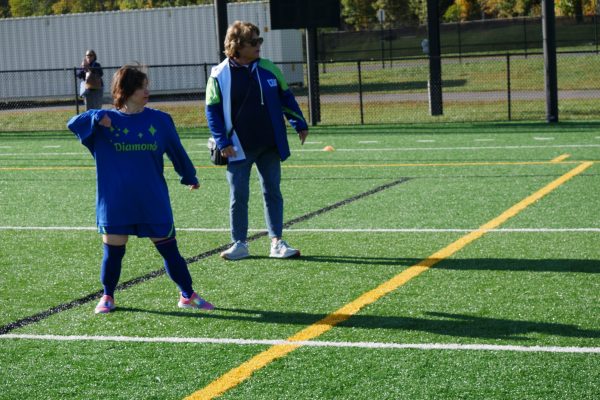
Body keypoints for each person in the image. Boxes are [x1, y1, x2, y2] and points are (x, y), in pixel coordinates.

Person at [67, 64, 214, 314]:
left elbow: (176, 151)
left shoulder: (160, 120)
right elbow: (73, 123)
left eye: (147, 86)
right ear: (125, 90)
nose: (147, 91)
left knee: (170, 250)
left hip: (151, 198)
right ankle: (107, 296)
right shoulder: (104, 122)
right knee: (113, 252)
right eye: (140, 87)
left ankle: (187, 294)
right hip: (115, 201)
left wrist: (189, 175)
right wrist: (94, 116)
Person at [205, 21, 309, 260]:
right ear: (237, 45)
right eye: (254, 42)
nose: (259, 45)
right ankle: (239, 243)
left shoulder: (269, 68)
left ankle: (277, 242)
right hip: (237, 147)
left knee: (272, 191)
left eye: (259, 40)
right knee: (238, 195)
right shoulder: (219, 74)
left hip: (270, 144)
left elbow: (286, 98)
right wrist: (223, 142)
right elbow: (212, 110)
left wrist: (299, 124)